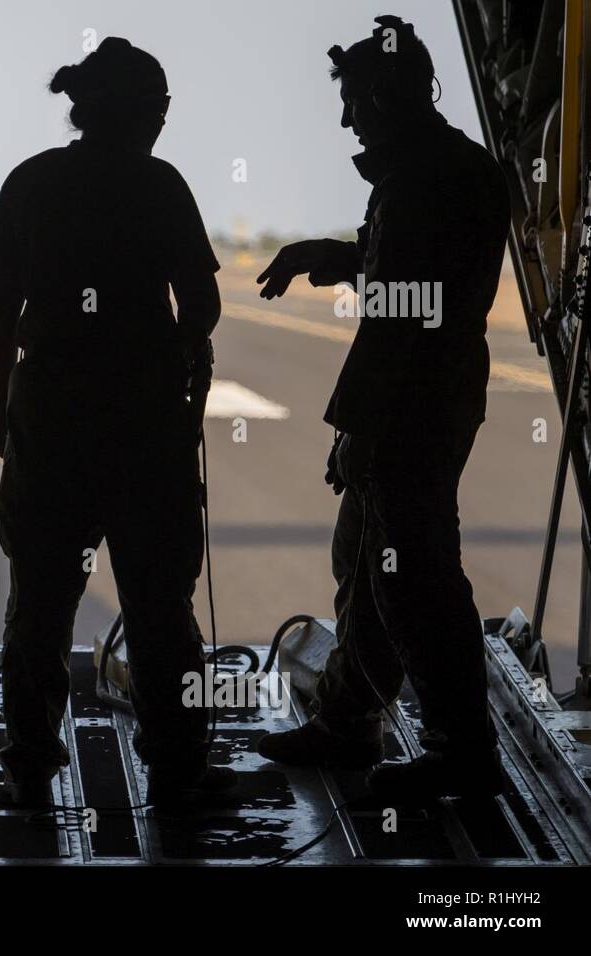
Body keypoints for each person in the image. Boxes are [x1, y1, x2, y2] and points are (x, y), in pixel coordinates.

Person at [254, 15, 511, 800]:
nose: (346, 119)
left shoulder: (420, 181)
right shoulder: (449, 167)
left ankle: (460, 751)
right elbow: (404, 277)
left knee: (414, 577)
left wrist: (358, 432)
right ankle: (346, 719)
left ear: (386, 96)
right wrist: (329, 255)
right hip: (437, 391)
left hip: (412, 403)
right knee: (371, 562)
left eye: (354, 101)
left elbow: (399, 321)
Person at [0, 37, 229, 807]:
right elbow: (204, 304)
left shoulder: (31, 182)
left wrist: (1, 401)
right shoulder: (160, 186)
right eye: (158, 106)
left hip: (50, 417)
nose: (162, 120)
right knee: (160, 608)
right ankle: (178, 762)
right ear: (141, 111)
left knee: (40, 600)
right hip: (146, 423)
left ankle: (28, 758)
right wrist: (176, 365)